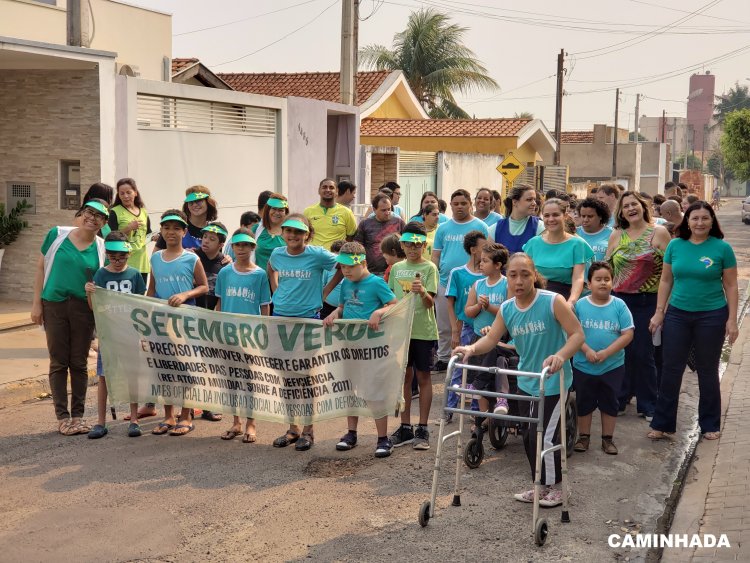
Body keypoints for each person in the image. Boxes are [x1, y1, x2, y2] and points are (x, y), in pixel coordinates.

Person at [454, 253, 584, 507]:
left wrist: (560, 356)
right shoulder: (507, 308)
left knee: (546, 436)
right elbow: (491, 339)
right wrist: (470, 349)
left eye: (525, 274)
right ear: (507, 279)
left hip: (554, 381)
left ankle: (557, 488)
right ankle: (539, 485)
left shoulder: (553, 302)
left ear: (534, 276)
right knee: (529, 435)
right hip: (526, 380)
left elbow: (577, 335)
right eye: (513, 275)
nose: (519, 281)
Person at [647, 202, 739, 441]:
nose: (699, 223)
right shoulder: (675, 246)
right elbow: (666, 280)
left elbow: (730, 285)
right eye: (695, 218)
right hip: (678, 314)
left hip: (712, 315)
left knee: (707, 371)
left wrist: (732, 319)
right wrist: (660, 312)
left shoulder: (722, 249)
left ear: (712, 221)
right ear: (687, 221)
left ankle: (710, 424)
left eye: (704, 218)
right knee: (671, 369)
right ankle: (662, 424)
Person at [31, 199, 109, 436]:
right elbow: (41, 268)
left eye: (98, 216)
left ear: (104, 222)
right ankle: (62, 417)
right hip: (53, 304)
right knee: (58, 362)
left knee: (79, 362)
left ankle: (78, 416)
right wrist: (37, 304)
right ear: (81, 213)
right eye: (88, 212)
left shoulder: (101, 247)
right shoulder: (57, 234)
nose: (91, 218)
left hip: (83, 310)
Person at [268, 214, 338, 451]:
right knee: (286, 376)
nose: (292, 235)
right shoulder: (277, 254)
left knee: (307, 376)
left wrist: (325, 291)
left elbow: (343, 265)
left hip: (308, 319)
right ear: (282, 233)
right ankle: (292, 428)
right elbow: (271, 268)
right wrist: (276, 291)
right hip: (280, 318)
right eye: (288, 231)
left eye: (298, 232)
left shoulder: (317, 254)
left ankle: (308, 430)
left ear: (307, 234)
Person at [324, 242, 398, 457]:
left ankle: (383, 438)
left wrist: (379, 312)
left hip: (372, 348)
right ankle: (351, 433)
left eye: (349, 267)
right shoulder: (346, 284)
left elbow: (394, 303)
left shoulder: (375, 283)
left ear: (363, 263)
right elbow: (342, 306)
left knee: (374, 392)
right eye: (342, 267)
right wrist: (335, 314)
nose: (345, 271)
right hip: (349, 347)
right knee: (350, 390)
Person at [606, 191, 671, 420]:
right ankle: (621, 398)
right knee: (621, 352)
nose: (631, 209)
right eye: (626, 206)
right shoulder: (616, 235)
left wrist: (662, 309)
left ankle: (648, 404)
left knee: (644, 353)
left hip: (648, 301)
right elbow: (608, 269)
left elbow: (670, 271)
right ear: (621, 212)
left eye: (634, 204)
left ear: (643, 207)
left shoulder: (659, 233)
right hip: (619, 300)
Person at [149, 210, 209, 436]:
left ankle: (186, 415)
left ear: (184, 232)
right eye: (166, 228)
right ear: (162, 231)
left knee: (185, 368)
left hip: (185, 321)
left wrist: (184, 295)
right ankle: (168, 415)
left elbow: (204, 286)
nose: (171, 232)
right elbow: (151, 291)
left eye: (176, 228)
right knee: (165, 369)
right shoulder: (155, 257)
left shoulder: (192, 258)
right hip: (162, 321)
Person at [84, 232, 148, 439]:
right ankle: (100, 422)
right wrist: (89, 293)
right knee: (104, 377)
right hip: (109, 334)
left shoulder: (135, 275)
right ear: (107, 255)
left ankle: (134, 419)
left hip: (129, 332)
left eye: (122, 256)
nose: (118, 261)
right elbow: (94, 307)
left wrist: (142, 334)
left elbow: (140, 306)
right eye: (113, 256)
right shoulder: (100, 275)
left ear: (129, 253)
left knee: (132, 375)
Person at [215, 228, 271, 444]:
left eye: (246, 245)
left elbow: (264, 306)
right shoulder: (225, 273)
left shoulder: (259, 274)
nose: (241, 249)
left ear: (252, 247)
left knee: (250, 382)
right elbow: (219, 304)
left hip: (250, 337)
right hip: (227, 335)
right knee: (230, 380)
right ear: (233, 246)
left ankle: (251, 423)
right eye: (237, 245)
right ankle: (235, 422)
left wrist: (263, 333)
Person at [572, 262, 634, 455]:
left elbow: (627, 334)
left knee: (610, 402)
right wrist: (587, 350)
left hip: (612, 366)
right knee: (584, 402)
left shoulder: (619, 305)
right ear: (588, 284)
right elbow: (572, 332)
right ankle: (583, 438)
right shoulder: (580, 306)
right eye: (598, 279)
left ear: (612, 283)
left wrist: (606, 353)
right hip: (583, 365)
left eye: (607, 279)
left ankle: (607, 440)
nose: (603, 283)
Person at [389, 223, 439, 450]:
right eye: (409, 244)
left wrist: (422, 292)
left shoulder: (429, 268)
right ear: (402, 244)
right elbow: (390, 300)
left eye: (417, 244)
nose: (412, 248)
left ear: (423, 245)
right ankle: (405, 426)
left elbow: (431, 303)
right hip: (400, 331)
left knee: (423, 377)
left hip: (423, 331)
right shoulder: (397, 268)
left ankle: (423, 427)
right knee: (404, 378)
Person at [432, 189, 490, 371]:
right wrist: (434, 279)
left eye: (463, 203)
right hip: (445, 281)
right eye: (455, 204)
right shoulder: (443, 228)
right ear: (450, 205)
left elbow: (489, 252)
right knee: (444, 323)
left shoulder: (480, 226)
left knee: (470, 321)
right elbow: (435, 256)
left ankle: (473, 356)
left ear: (470, 205)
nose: (459, 207)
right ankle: (443, 357)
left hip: (475, 282)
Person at [443, 230, 487, 421]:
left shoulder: (489, 275)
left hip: (485, 328)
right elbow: (450, 303)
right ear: (473, 250)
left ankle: (476, 411)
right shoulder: (458, 273)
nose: (487, 251)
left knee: (479, 370)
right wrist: (455, 329)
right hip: (466, 326)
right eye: (483, 247)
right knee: (459, 368)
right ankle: (449, 409)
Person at [463, 241, 510, 415]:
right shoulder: (478, 285)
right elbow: (468, 311)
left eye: (485, 261)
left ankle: (499, 407)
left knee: (494, 376)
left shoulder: (507, 284)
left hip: (500, 338)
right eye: (480, 260)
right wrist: (478, 307)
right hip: (478, 336)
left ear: (498, 265)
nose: (480, 264)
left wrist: (489, 307)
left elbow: (509, 312)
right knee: (478, 376)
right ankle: (483, 417)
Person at [523, 198, 593, 305]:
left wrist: (571, 302)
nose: (551, 219)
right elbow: (524, 275)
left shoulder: (578, 244)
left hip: (565, 299)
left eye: (555, 215)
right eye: (546, 215)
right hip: (535, 300)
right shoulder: (533, 243)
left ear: (565, 216)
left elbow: (578, 278)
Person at [108, 178, 151, 283]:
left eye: (128, 192)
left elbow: (148, 233)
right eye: (122, 193)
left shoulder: (144, 212)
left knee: (139, 295)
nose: (125, 196)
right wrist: (129, 228)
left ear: (135, 193)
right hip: (123, 262)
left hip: (142, 262)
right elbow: (111, 238)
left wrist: (154, 237)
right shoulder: (114, 212)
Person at [354, 193, 405, 276]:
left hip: (395, 272)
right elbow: (357, 247)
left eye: (389, 209)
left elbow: (406, 244)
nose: (387, 212)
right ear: (374, 209)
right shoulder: (365, 224)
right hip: (372, 272)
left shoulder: (399, 222)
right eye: (383, 210)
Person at [155, 185, 218, 250]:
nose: (194, 205)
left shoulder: (215, 230)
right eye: (191, 202)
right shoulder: (177, 225)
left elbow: (217, 257)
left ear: (208, 203)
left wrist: (225, 258)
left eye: (198, 201)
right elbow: (155, 256)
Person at [303, 178, 357, 250]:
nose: (328, 190)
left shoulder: (346, 212)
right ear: (319, 191)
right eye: (324, 187)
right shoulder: (308, 211)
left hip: (336, 258)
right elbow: (303, 234)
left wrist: (342, 251)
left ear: (337, 192)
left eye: (331, 188)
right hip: (313, 256)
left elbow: (351, 235)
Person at [493, 184, 544, 254]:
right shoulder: (494, 229)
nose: (534, 203)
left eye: (534, 199)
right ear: (515, 202)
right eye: (529, 200)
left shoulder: (541, 228)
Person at [195, 222, 228, 312]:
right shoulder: (192, 257)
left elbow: (223, 295)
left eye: (212, 239)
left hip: (211, 315)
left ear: (220, 245)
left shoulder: (225, 264)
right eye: (205, 237)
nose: (206, 241)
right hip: (189, 311)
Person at [251, 193, 288, 272]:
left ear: (286, 212)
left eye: (281, 210)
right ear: (268, 210)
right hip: (259, 280)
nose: (277, 213)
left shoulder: (290, 231)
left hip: (283, 281)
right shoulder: (256, 229)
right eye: (274, 209)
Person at [321, 239, 347, 319]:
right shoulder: (327, 270)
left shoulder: (351, 271)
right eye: (334, 257)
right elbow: (322, 285)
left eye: (339, 257)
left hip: (344, 308)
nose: (337, 261)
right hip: (327, 306)